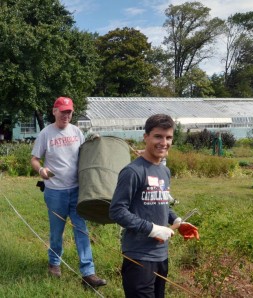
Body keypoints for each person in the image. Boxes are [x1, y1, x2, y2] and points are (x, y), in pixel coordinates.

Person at [109, 114, 199, 298]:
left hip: (161, 256)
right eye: (158, 136)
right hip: (139, 256)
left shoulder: (164, 171)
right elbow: (117, 211)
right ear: (146, 137)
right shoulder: (133, 172)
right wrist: (152, 229)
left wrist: (177, 220)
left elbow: (161, 202)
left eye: (168, 137)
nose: (163, 142)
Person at [31, 97, 106, 288]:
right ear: (54, 111)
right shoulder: (46, 134)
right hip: (55, 192)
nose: (66, 115)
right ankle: (54, 263)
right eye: (63, 111)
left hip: (77, 190)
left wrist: (93, 144)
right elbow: (35, 159)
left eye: (69, 112)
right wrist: (41, 171)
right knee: (57, 231)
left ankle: (88, 273)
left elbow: (84, 154)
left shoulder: (76, 131)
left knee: (81, 230)